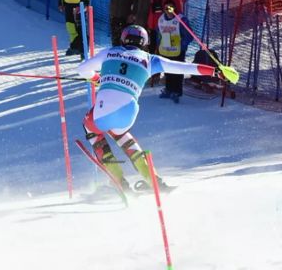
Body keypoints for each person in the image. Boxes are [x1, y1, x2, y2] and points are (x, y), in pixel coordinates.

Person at [76, 25, 238, 191]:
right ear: (145, 42)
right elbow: (182, 67)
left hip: (102, 112)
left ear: (123, 39)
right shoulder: (150, 60)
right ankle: (152, 179)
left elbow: (82, 69)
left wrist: (97, 77)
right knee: (120, 134)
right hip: (129, 111)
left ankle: (117, 179)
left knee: (91, 127)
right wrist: (216, 72)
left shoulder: (108, 52)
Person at [155, 1, 193, 103]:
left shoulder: (181, 19)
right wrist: (158, 46)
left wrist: (182, 46)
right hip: (165, 49)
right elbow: (158, 33)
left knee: (177, 70)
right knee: (167, 70)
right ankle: (168, 89)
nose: (169, 10)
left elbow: (189, 35)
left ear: (175, 8)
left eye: (171, 8)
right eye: (166, 8)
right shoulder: (161, 19)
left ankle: (177, 91)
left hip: (178, 50)